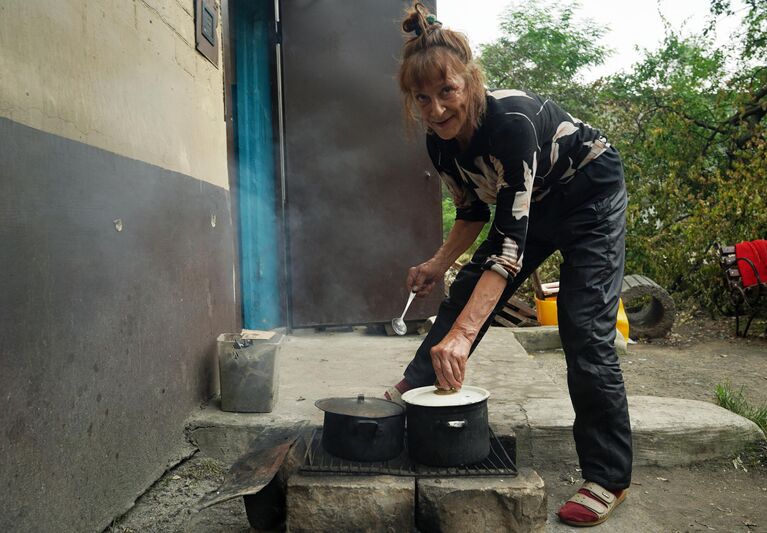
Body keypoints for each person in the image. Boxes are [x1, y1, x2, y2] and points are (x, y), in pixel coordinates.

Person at [385, 3, 633, 527]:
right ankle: (419, 382)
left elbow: (508, 246)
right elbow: (475, 211)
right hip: (534, 203)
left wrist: (467, 331)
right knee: (465, 287)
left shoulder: (511, 122)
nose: (434, 110)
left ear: (471, 80)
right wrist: (437, 263)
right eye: (421, 98)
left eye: (446, 92)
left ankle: (608, 476)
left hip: (591, 192)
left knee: (584, 329)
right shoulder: (440, 141)